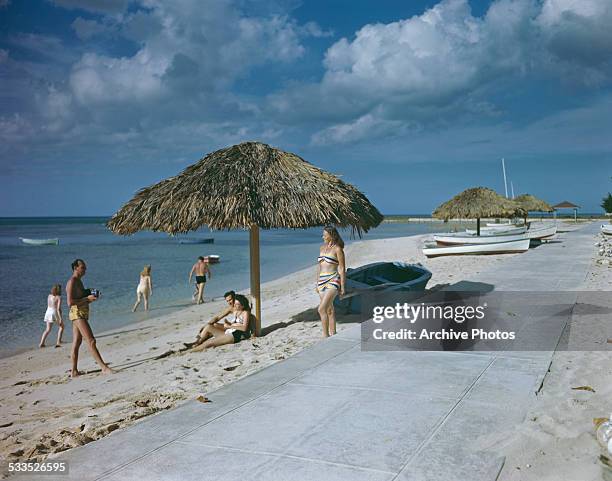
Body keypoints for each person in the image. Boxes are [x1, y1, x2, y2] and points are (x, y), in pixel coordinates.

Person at [66, 259, 113, 377]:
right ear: (75, 268)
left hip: (81, 313)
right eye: (83, 268)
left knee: (77, 342)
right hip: (77, 314)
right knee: (91, 340)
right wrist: (87, 299)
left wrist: (90, 297)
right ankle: (104, 367)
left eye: (85, 268)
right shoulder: (72, 281)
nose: (85, 270)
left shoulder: (79, 282)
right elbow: (70, 302)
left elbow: (80, 298)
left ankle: (74, 371)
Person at [316, 226, 346, 337]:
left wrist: (342, 287)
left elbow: (342, 268)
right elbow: (319, 267)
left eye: (324, 234)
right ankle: (333, 334)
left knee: (321, 309)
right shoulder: (321, 248)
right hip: (321, 281)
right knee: (329, 310)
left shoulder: (338, 249)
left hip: (333, 279)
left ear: (331, 235)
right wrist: (317, 282)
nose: (322, 236)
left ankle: (325, 336)